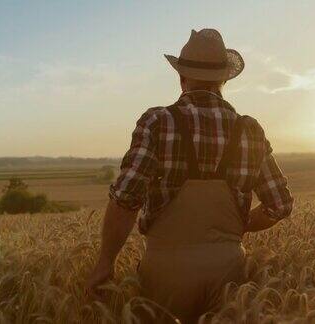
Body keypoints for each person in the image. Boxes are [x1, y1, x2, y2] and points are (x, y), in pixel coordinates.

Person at [87, 28, 294, 323]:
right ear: (224, 79)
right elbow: (280, 205)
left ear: (182, 77)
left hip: (164, 275)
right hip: (229, 275)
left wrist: (105, 262)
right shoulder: (250, 130)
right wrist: (235, 229)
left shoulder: (157, 121)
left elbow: (125, 198)